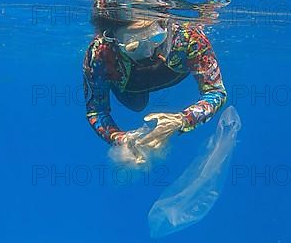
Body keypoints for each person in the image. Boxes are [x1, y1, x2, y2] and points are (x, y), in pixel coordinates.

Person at [83, 16, 227, 158]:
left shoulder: (188, 37)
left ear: (164, 23)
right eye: (133, 46)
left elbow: (216, 91)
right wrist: (122, 139)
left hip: (173, 72)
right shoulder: (101, 53)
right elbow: (96, 111)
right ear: (112, 38)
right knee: (137, 105)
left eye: (156, 37)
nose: (148, 52)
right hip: (130, 87)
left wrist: (183, 119)